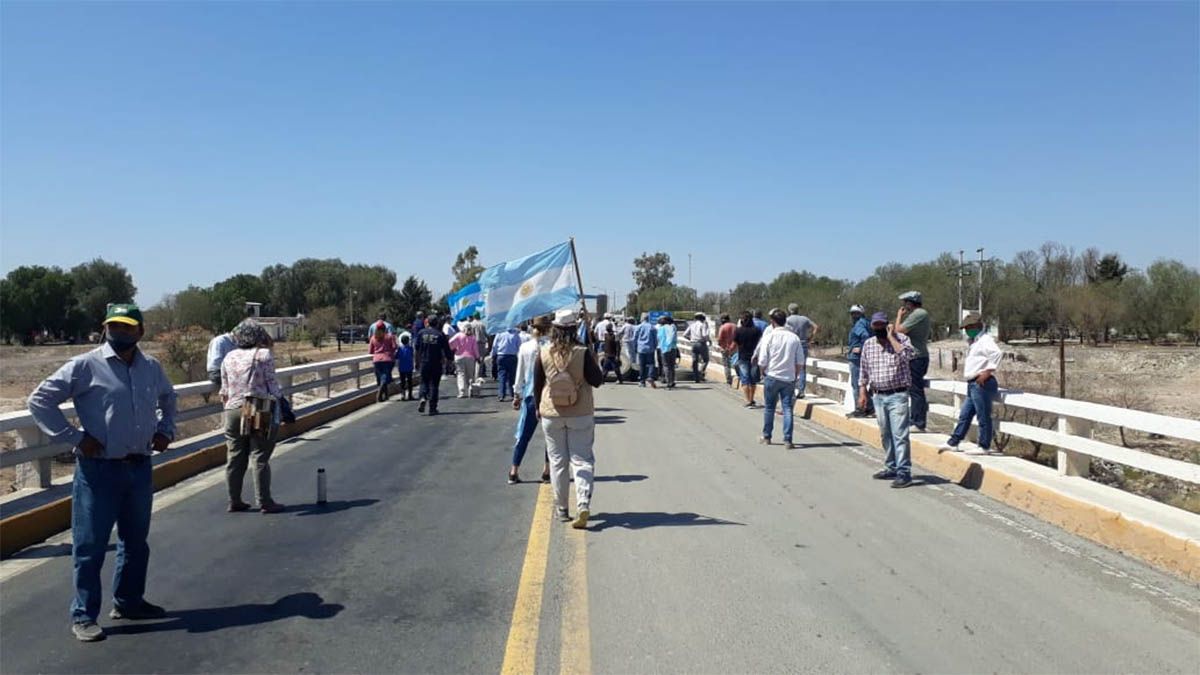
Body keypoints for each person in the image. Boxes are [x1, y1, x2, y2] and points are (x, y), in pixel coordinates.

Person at [27, 303, 177, 642]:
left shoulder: (151, 367)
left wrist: (166, 430)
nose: (120, 333)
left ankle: (128, 601)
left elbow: (169, 398)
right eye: (114, 327)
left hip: (139, 467)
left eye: (127, 327)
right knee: (90, 546)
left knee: (135, 543)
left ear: (140, 331)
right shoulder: (85, 365)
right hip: (98, 472)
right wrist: (75, 439)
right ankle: (83, 615)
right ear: (104, 327)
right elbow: (39, 401)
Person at [534, 309, 604, 529]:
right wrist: (593, 358)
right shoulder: (582, 352)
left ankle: (562, 508)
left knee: (558, 462)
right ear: (575, 328)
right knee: (582, 459)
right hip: (580, 411)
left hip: (551, 411)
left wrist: (538, 407)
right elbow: (597, 380)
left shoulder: (544, 351)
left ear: (555, 329)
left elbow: (537, 383)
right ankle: (582, 503)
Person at [220, 319, 286, 514]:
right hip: (256, 407)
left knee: (235, 457)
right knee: (259, 456)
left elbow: (224, 390)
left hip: (232, 409)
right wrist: (281, 402)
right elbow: (272, 384)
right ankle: (264, 501)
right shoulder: (263, 354)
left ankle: (234, 500)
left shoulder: (228, 357)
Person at [858, 311, 915, 489]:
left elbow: (908, 356)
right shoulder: (868, 344)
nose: (879, 328)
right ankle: (891, 466)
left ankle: (904, 472)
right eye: (876, 325)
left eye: (882, 325)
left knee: (900, 435)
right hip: (878, 396)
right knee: (886, 434)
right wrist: (862, 392)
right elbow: (864, 370)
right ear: (872, 326)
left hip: (898, 395)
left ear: (887, 324)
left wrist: (891, 337)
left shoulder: (902, 340)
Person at [938, 312, 1003, 454]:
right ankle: (954, 442)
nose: (967, 330)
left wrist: (987, 372)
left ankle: (984, 445)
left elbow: (997, 354)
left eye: (969, 327)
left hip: (981, 383)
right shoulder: (974, 341)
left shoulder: (985, 340)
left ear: (977, 325)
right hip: (973, 383)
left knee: (983, 415)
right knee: (965, 414)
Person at [510, 316, 552, 484]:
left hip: (529, 395)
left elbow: (519, 374)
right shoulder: (551, 347)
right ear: (548, 328)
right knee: (550, 436)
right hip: (548, 395)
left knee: (524, 435)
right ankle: (546, 471)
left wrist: (516, 394)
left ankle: (514, 470)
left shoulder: (525, 347)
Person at [754, 309, 804, 449]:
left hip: (772, 376)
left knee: (769, 408)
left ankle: (767, 436)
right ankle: (788, 439)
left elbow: (762, 360)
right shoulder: (794, 338)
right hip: (788, 378)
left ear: (772, 322)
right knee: (787, 409)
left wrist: (763, 373)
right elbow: (800, 361)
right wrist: (795, 375)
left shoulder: (769, 337)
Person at [895, 291, 931, 432]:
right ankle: (914, 419)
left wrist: (899, 316)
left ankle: (918, 422)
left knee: (916, 390)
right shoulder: (917, 315)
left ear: (911, 302)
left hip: (917, 357)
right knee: (913, 389)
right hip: (915, 356)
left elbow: (899, 330)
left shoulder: (919, 314)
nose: (904, 305)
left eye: (906, 302)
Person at [416, 317, 453, 415]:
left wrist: (417, 362)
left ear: (427, 323)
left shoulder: (421, 333)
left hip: (424, 362)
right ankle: (432, 407)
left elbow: (417, 349)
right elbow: (447, 350)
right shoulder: (440, 335)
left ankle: (423, 397)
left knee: (424, 381)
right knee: (434, 385)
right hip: (436, 363)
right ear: (437, 324)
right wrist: (450, 361)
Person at [784, 303, 819, 399]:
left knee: (790, 366)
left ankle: (791, 389)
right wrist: (810, 338)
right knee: (802, 368)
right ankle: (801, 390)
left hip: (791, 344)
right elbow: (816, 327)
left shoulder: (787, 320)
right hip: (803, 344)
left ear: (789, 310)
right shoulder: (804, 319)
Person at [845, 305, 874, 417]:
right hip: (862, 357)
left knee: (857, 383)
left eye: (856, 313)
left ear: (861, 313)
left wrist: (861, 348)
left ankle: (860, 408)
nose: (853, 315)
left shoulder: (859, 324)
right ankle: (869, 407)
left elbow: (865, 336)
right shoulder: (867, 322)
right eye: (852, 313)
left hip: (856, 358)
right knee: (861, 383)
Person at [733, 311, 763, 408]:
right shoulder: (757, 330)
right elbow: (760, 342)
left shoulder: (738, 330)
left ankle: (748, 400)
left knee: (745, 379)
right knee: (753, 380)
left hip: (742, 356)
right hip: (754, 357)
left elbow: (736, 343)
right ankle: (752, 398)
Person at [368, 321, 398, 402]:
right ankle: (380, 392)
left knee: (381, 377)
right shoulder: (389, 337)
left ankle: (385, 395)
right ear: (385, 328)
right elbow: (394, 347)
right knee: (385, 377)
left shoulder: (373, 338)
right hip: (388, 359)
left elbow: (370, 351)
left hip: (377, 360)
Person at [491, 326, 523, 401]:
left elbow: (494, 346)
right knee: (512, 376)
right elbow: (519, 346)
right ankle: (512, 394)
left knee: (502, 376)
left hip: (501, 355)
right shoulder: (515, 334)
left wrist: (493, 355)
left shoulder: (499, 333)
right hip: (512, 356)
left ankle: (501, 395)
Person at [449, 326, 481, 398]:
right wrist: (478, 357)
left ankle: (462, 391)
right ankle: (471, 390)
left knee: (460, 374)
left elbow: (450, 341)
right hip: (470, 357)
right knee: (470, 375)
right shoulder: (473, 338)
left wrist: (454, 347)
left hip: (459, 356)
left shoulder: (458, 335)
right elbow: (475, 349)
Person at [634, 313, 659, 388]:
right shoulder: (652, 327)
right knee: (651, 363)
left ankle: (642, 382)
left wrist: (635, 347)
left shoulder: (638, 327)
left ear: (642, 318)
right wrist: (655, 346)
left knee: (642, 365)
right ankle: (650, 376)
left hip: (641, 348)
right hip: (650, 348)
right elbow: (655, 339)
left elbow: (635, 338)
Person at [684, 313, 710, 382]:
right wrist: (708, 340)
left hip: (693, 343)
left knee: (695, 361)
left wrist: (691, 339)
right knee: (705, 360)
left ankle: (696, 377)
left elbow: (685, 334)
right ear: (702, 319)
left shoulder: (692, 325)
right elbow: (704, 335)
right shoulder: (702, 325)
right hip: (701, 343)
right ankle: (701, 373)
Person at [657, 316, 679, 389]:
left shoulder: (661, 328)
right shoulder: (673, 327)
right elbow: (673, 337)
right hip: (673, 348)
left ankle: (668, 382)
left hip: (664, 349)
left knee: (666, 366)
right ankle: (672, 381)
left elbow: (659, 338)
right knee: (672, 366)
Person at [717, 314, 737, 386]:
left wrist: (721, 346)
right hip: (735, 348)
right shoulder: (735, 326)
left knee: (727, 365)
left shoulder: (722, 327)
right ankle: (739, 377)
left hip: (725, 349)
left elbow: (719, 339)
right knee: (736, 363)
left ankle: (729, 380)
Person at [395, 334, 415, 401]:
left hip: (402, 367)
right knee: (410, 381)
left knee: (402, 381)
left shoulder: (399, 349)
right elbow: (412, 355)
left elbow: (396, 357)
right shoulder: (410, 348)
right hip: (409, 367)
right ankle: (410, 395)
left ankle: (403, 395)